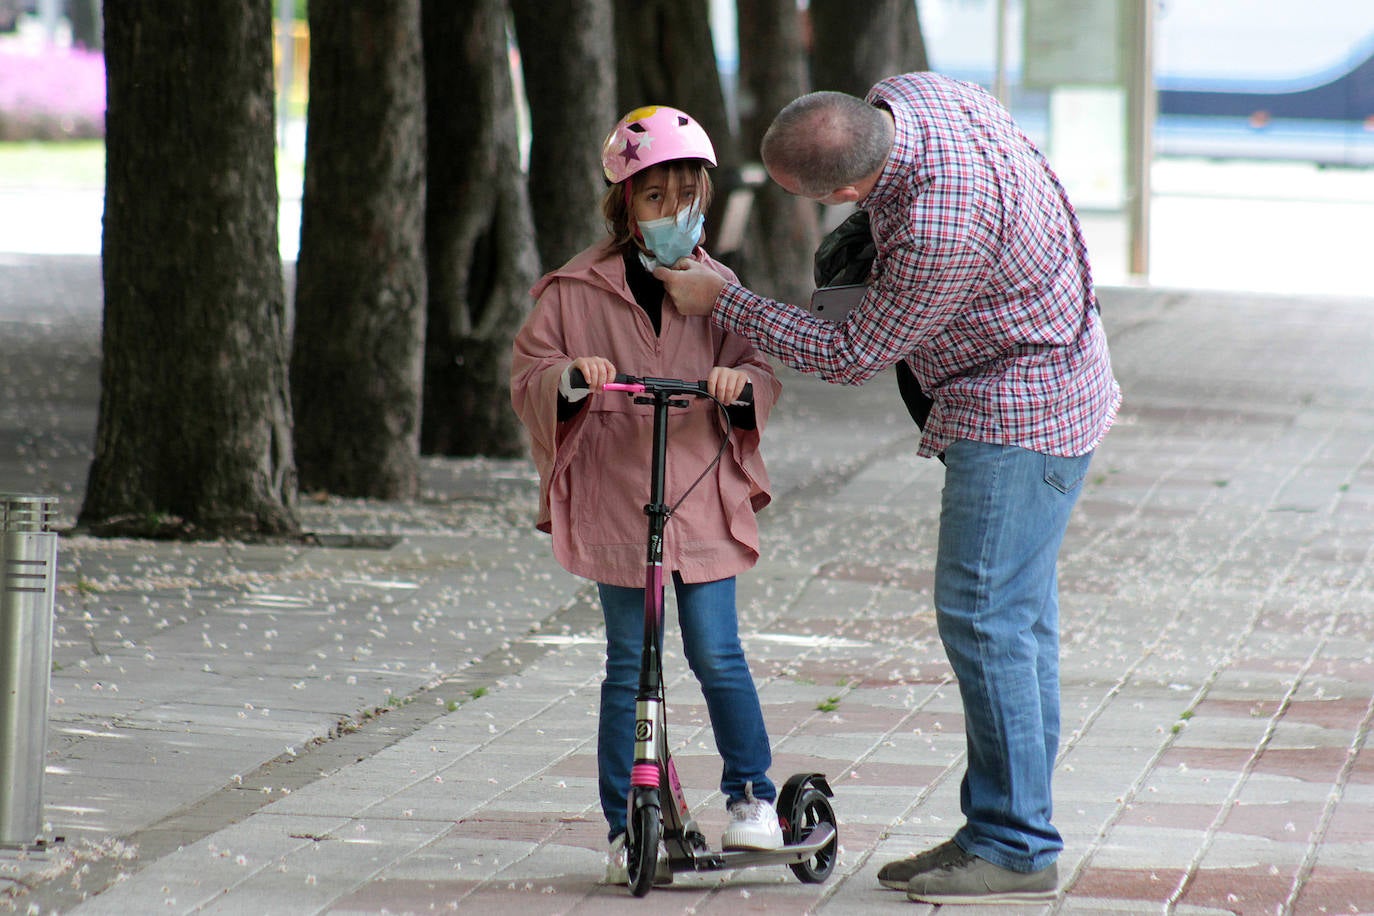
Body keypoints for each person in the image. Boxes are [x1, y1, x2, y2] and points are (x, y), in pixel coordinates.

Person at [655, 73, 1122, 905]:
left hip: (1022, 409)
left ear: (840, 190)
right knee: (1017, 624)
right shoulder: (919, 93)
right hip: (1057, 373)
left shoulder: (940, 225)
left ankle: (1016, 845)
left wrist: (728, 301)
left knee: (984, 618)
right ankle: (1007, 825)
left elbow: (849, 356)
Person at [509, 105, 786, 886]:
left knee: (714, 650)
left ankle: (751, 795)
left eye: (684, 196)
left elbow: (759, 368)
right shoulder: (573, 290)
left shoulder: (719, 287)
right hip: (618, 493)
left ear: (704, 199)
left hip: (696, 492)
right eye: (652, 197)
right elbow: (530, 372)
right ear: (625, 205)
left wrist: (737, 386)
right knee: (629, 661)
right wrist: (571, 380)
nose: (670, 213)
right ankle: (622, 818)